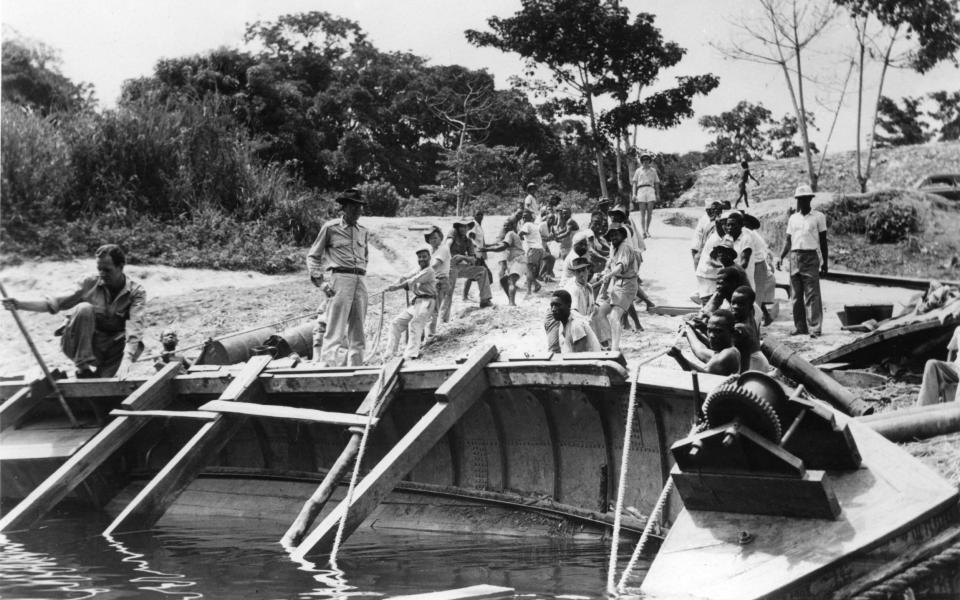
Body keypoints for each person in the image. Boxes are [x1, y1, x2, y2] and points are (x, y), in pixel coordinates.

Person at [2, 244, 145, 379]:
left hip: (108, 349)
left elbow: (135, 328)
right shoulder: (89, 282)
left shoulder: (136, 292)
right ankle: (83, 369)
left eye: (107, 270)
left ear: (120, 267)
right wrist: (19, 304)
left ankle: (101, 380)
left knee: (137, 345)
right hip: (78, 345)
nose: (102, 274)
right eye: (99, 269)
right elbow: (53, 304)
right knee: (84, 308)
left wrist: (127, 360)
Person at [307, 189, 369, 366]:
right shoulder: (330, 228)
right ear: (345, 207)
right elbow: (313, 256)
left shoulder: (364, 231)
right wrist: (320, 282)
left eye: (361, 207)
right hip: (340, 278)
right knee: (335, 326)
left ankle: (356, 367)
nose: (359, 210)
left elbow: (366, 256)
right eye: (355, 206)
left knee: (358, 328)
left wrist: (361, 274)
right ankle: (328, 366)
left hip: (360, 279)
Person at [777, 184, 828, 338]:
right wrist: (781, 256)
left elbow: (824, 241)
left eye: (805, 199)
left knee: (812, 294)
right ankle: (800, 327)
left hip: (810, 256)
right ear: (797, 200)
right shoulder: (793, 218)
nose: (802, 202)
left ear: (810, 200)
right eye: (800, 199)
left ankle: (815, 328)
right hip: (794, 257)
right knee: (796, 295)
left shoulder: (818, 217)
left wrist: (825, 261)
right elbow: (788, 240)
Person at [385, 246, 437, 360]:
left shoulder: (429, 271)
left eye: (424, 256)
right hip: (418, 302)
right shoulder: (418, 269)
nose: (422, 259)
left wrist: (396, 287)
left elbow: (411, 281)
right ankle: (390, 354)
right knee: (396, 323)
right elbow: (405, 277)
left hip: (427, 302)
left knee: (415, 324)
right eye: (419, 257)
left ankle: (411, 355)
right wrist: (393, 284)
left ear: (429, 258)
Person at [597, 225, 641, 352]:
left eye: (616, 234)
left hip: (627, 284)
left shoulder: (625, 247)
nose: (613, 237)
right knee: (600, 313)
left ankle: (615, 349)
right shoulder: (612, 247)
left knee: (614, 316)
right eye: (611, 235)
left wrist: (609, 275)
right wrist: (605, 271)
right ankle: (609, 342)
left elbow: (621, 266)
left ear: (622, 236)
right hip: (617, 284)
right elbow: (610, 262)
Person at [668, 309, 741, 376]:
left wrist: (678, 356)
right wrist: (688, 330)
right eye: (709, 330)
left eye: (718, 331)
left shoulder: (728, 354)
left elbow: (703, 376)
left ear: (732, 332)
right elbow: (700, 350)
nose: (712, 335)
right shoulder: (725, 351)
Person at [563, 256, 610, 347]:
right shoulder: (574, 288)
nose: (581, 274)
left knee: (596, 315)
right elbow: (572, 311)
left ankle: (604, 345)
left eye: (583, 270)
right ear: (574, 273)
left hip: (579, 319)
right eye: (578, 272)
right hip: (559, 317)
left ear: (588, 270)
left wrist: (594, 308)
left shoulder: (588, 287)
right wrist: (585, 319)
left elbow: (591, 306)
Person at [447, 220, 494, 311]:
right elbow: (447, 245)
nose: (464, 229)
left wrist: (466, 258)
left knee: (482, 270)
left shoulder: (468, 241)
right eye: (461, 226)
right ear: (458, 227)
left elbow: (472, 259)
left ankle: (485, 300)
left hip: (459, 267)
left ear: (468, 228)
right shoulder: (453, 234)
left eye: (466, 227)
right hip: (448, 266)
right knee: (446, 293)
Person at [481, 221, 526, 307]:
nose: (505, 227)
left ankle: (512, 303)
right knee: (504, 280)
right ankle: (511, 300)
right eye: (504, 226)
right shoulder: (510, 235)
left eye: (507, 225)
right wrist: (487, 246)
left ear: (513, 225)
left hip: (518, 260)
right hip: (517, 261)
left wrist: (488, 250)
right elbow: (499, 244)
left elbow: (502, 247)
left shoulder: (510, 233)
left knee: (511, 281)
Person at [729, 286, 772, 372]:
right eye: (733, 303)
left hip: (754, 364)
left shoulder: (740, 328)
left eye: (741, 304)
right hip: (757, 361)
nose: (735, 307)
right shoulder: (750, 315)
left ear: (750, 308)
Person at [547, 290, 602, 354]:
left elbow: (579, 358)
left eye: (558, 305)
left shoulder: (576, 325)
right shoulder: (563, 322)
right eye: (552, 305)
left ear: (569, 306)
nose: (553, 309)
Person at [916, 326, 960, 406]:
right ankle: (923, 410)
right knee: (931, 364)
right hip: (956, 367)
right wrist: (947, 369)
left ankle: (956, 412)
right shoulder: (958, 330)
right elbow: (952, 350)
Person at [425, 225, 452, 336]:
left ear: (441, 238)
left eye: (435, 238)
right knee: (428, 308)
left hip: (440, 281)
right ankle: (427, 333)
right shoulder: (432, 251)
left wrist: (421, 274)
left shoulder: (443, 249)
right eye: (430, 238)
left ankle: (431, 334)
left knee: (433, 309)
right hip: (433, 281)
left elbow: (435, 265)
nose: (433, 240)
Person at [722, 211, 757, 289]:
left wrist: (729, 273)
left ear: (741, 225)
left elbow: (744, 263)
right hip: (730, 280)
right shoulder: (727, 238)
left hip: (743, 282)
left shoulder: (746, 239)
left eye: (733, 225)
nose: (730, 228)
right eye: (728, 225)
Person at [462, 209, 491, 302]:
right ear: (475, 216)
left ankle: (481, 295)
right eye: (478, 214)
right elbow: (470, 235)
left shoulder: (479, 226)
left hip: (479, 254)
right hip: (475, 254)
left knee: (486, 275)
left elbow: (481, 240)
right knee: (473, 276)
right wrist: (473, 246)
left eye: (481, 214)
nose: (480, 216)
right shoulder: (474, 224)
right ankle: (465, 296)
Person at [631, 152, 660, 238]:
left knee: (650, 212)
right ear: (641, 161)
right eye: (643, 160)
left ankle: (647, 230)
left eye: (647, 159)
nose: (645, 161)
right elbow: (634, 183)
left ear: (649, 161)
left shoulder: (653, 170)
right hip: (641, 190)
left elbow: (656, 183)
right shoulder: (638, 171)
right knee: (642, 213)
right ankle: (643, 231)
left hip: (650, 190)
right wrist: (634, 194)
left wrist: (657, 194)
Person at [518, 210, 545, 299]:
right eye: (523, 217)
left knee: (528, 270)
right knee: (528, 270)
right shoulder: (534, 225)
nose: (524, 218)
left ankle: (529, 292)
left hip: (533, 249)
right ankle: (536, 285)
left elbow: (520, 234)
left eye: (526, 217)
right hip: (539, 249)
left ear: (530, 218)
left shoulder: (527, 225)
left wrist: (520, 239)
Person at [692, 200, 723, 268]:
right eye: (712, 209)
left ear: (721, 210)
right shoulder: (707, 221)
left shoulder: (722, 221)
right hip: (705, 249)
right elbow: (701, 237)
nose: (714, 211)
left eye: (717, 209)